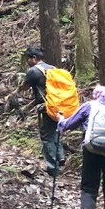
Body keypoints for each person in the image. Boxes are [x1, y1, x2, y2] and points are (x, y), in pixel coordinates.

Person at [21, 44, 65, 177]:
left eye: (28, 59)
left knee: (46, 137)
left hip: (45, 108)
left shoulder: (33, 71)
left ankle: (53, 167)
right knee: (55, 132)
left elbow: (24, 87)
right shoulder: (52, 69)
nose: (28, 62)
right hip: (58, 107)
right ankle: (60, 156)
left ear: (34, 58)